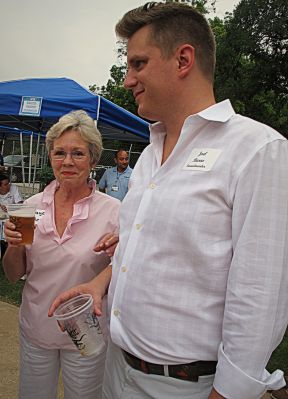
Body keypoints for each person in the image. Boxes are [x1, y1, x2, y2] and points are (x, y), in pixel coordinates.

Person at [49, 3, 288, 399]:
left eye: (138, 64)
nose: (127, 80)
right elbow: (153, 248)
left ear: (183, 59)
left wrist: (230, 392)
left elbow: (261, 294)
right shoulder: (149, 154)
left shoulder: (257, 150)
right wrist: (100, 282)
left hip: (184, 386)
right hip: (116, 367)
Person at [3, 110, 120, 399]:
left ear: (93, 160)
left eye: (78, 153)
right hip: (37, 327)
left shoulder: (113, 211)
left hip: (87, 332)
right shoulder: (29, 206)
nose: (67, 161)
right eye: (59, 153)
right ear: (50, 156)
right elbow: (12, 273)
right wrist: (15, 244)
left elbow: (126, 266)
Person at [0, 172, 23, 257]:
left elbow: (20, 204)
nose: (8, 185)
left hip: (12, 217)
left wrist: (11, 208)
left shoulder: (14, 188)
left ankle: (8, 249)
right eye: (5, 184)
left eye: (8, 183)